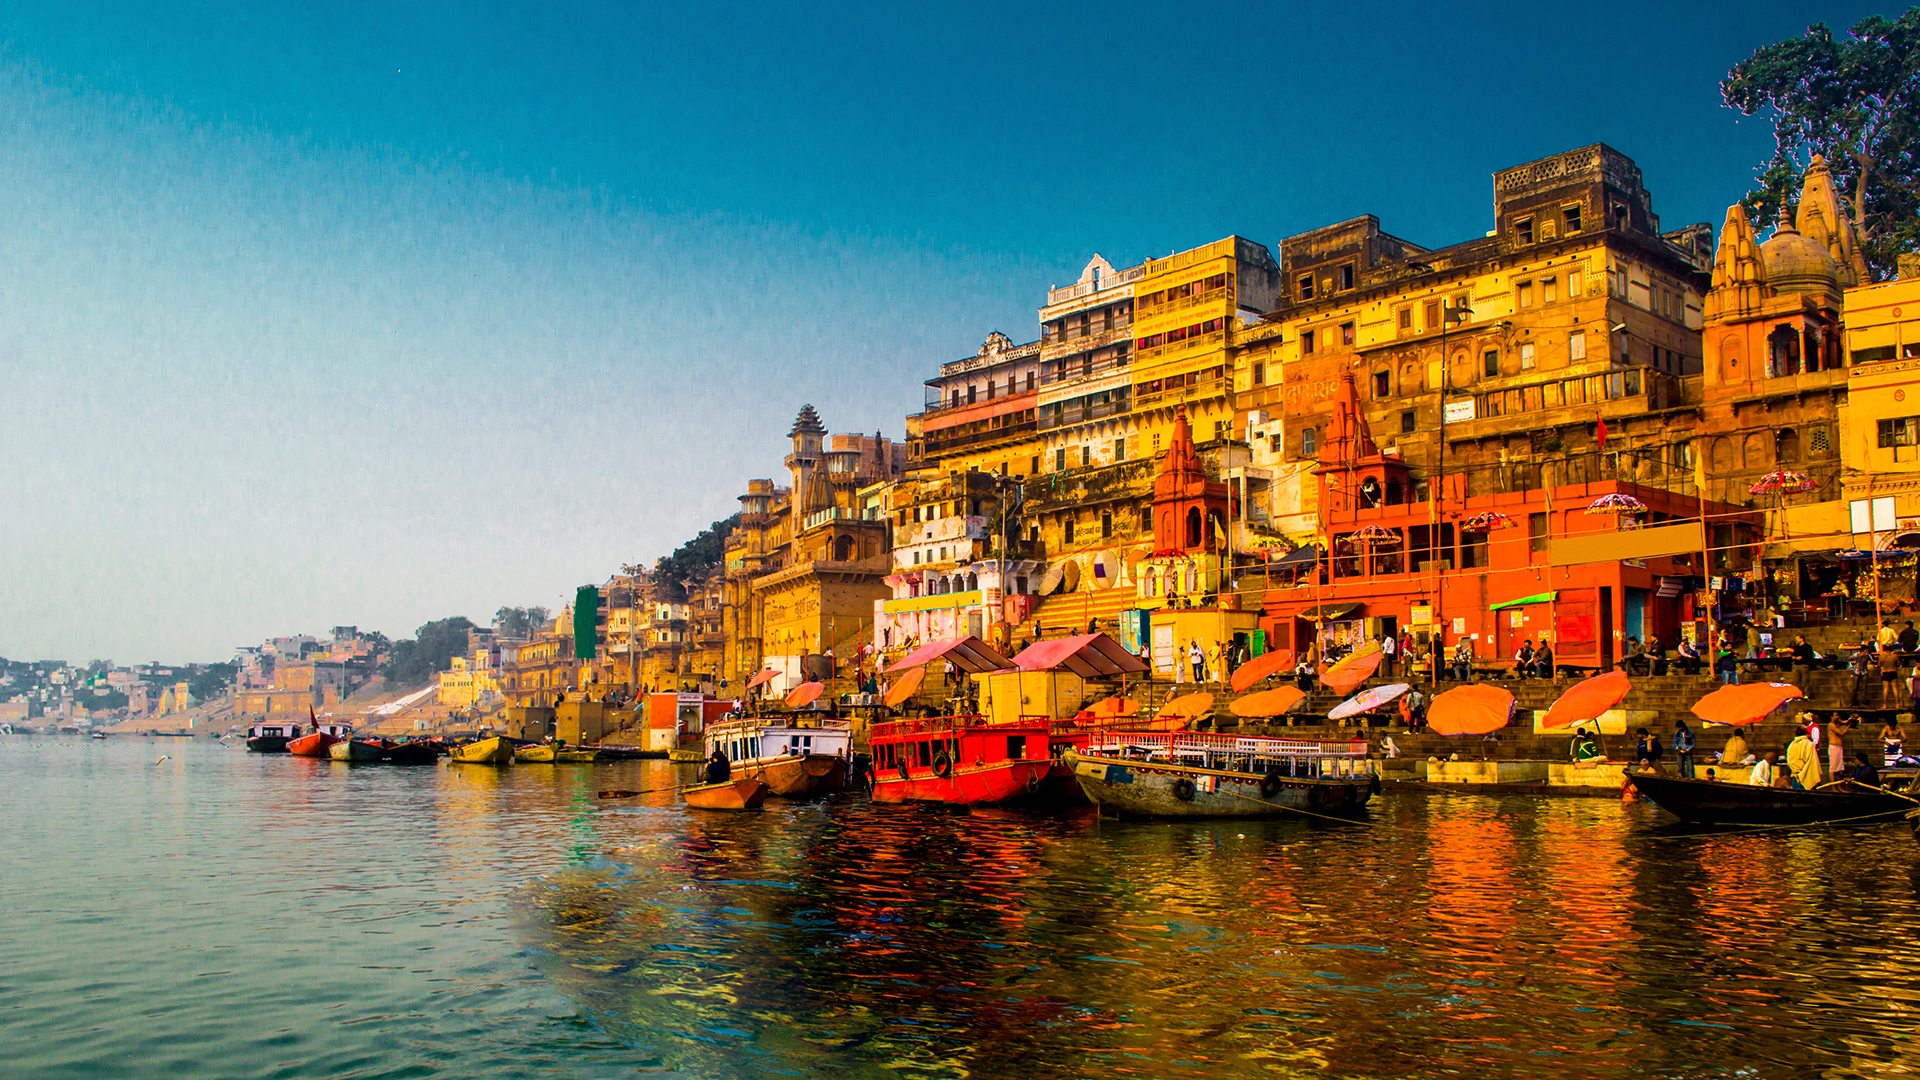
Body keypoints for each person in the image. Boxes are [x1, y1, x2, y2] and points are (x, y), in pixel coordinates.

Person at [1785, 724, 1821, 791]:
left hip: (1795, 778)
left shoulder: (1791, 745)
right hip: (1805, 777)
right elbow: (1812, 763)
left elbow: (1789, 761)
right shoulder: (1809, 744)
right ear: (1807, 734)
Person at [1827, 712, 1854, 780]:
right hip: (1834, 747)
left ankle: (1838, 786)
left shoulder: (1837, 723)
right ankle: (1833, 787)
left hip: (1839, 747)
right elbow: (1841, 733)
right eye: (1836, 715)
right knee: (1833, 769)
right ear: (1831, 717)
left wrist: (1850, 720)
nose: (1838, 717)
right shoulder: (1831, 725)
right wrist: (1849, 726)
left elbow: (1844, 722)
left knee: (1839, 768)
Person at [1881, 643, 1902, 708]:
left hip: (1885, 672)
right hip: (1893, 671)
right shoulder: (1894, 656)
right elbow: (1899, 664)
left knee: (1885, 689)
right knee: (1895, 688)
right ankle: (1897, 704)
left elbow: (1879, 664)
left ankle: (1884, 705)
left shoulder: (1882, 656)